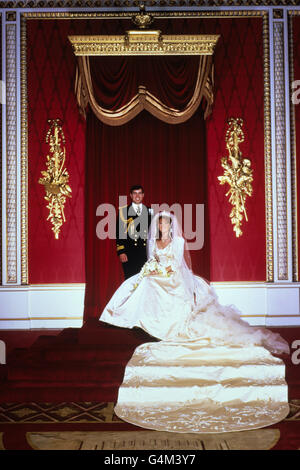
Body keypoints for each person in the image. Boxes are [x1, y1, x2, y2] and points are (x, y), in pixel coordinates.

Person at [100, 211, 290, 433]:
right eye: (159, 223)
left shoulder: (178, 241)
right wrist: (151, 270)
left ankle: (172, 325)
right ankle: (140, 319)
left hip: (176, 279)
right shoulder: (153, 241)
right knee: (144, 282)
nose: (162, 226)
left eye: (165, 222)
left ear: (171, 225)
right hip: (160, 276)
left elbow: (180, 266)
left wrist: (168, 272)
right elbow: (153, 261)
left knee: (163, 286)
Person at [116, 185, 153, 279]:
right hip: (130, 253)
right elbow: (119, 233)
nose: (137, 196)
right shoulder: (123, 211)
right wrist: (121, 251)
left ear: (143, 195)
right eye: (135, 193)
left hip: (146, 252)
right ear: (131, 195)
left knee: (146, 281)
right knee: (130, 280)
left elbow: (153, 232)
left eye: (140, 193)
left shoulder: (150, 211)